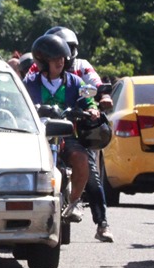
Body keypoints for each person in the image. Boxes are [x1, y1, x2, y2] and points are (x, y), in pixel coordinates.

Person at [38, 26, 114, 242]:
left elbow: (96, 89)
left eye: (64, 52)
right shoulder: (35, 75)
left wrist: (97, 104)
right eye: (53, 54)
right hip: (43, 132)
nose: (61, 59)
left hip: (74, 130)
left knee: (89, 171)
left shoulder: (80, 72)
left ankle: (101, 223)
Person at [23, 34, 100, 229]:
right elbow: (20, 103)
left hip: (67, 136)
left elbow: (88, 100)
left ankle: (74, 203)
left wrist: (92, 109)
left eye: (62, 57)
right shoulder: (30, 83)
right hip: (39, 138)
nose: (60, 61)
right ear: (42, 61)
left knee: (83, 160)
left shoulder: (75, 82)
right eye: (55, 58)